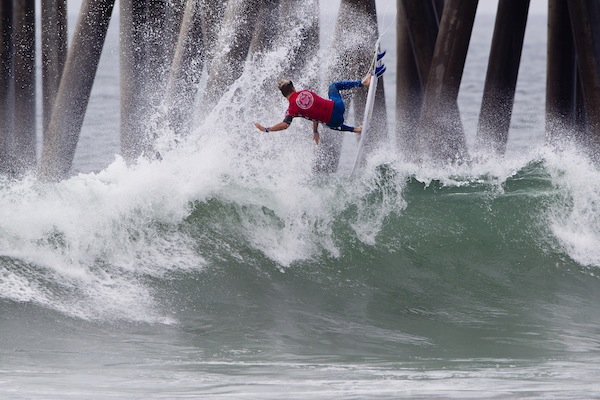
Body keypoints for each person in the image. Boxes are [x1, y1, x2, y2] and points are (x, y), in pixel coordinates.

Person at [254, 63, 385, 144]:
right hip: (338, 106)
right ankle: (362, 83)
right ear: (293, 87)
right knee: (333, 86)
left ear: (284, 95)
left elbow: (285, 125)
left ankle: (356, 129)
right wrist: (315, 130)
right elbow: (314, 110)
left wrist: (267, 129)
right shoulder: (305, 92)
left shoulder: (291, 110)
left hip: (336, 121)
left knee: (327, 122)